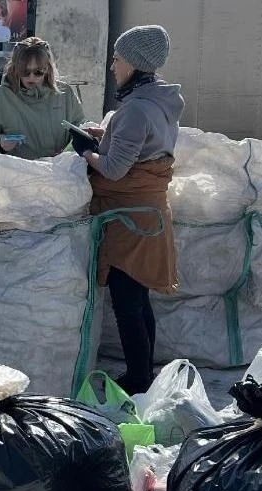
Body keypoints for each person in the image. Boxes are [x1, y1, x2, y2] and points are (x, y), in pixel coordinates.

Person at [80, 25, 184, 395]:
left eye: (117, 59)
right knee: (139, 300)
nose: (113, 66)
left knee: (127, 303)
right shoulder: (160, 102)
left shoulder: (136, 109)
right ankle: (144, 374)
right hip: (150, 213)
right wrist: (105, 136)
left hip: (130, 220)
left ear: (134, 63)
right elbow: (142, 148)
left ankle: (138, 379)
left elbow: (113, 169)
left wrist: (84, 151)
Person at [0, 37, 84, 159]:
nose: (31, 77)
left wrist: (70, 151)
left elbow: (81, 129)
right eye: (25, 72)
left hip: (59, 168)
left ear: (47, 69)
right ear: (15, 69)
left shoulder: (65, 93)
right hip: (19, 170)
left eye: (38, 72)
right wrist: (0, 143)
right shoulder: (1, 97)